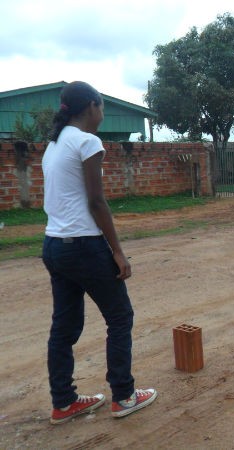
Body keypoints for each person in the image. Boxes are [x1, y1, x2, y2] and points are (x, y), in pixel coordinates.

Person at [42, 81, 157, 425]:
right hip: (84, 245)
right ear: (91, 106)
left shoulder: (54, 144)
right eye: (102, 107)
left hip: (53, 245)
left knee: (64, 327)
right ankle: (123, 396)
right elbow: (96, 201)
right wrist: (118, 253)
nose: (103, 114)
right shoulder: (87, 141)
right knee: (120, 317)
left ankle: (63, 403)